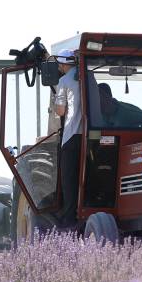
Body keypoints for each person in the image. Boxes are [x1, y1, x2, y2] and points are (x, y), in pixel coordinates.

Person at [51, 48, 96, 227]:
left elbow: (61, 110)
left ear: (62, 64)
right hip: (91, 136)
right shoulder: (89, 77)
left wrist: (56, 104)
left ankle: (69, 219)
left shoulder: (64, 81)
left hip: (71, 137)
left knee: (69, 181)